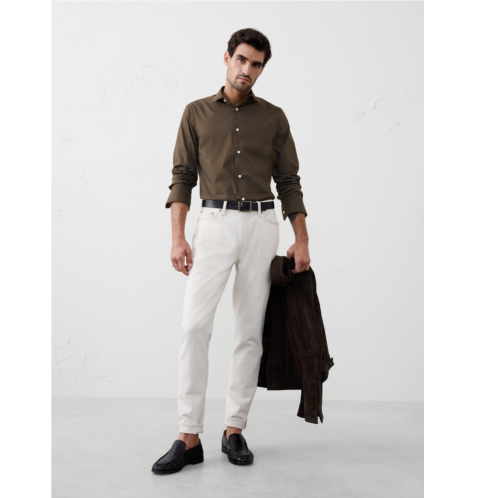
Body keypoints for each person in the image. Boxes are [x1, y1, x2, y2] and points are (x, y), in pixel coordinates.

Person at [152, 27, 310, 474]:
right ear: (227, 58)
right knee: (193, 327)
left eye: (256, 64)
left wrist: (301, 238)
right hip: (214, 223)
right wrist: (178, 236)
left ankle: (234, 429)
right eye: (241, 60)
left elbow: (289, 182)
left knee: (248, 332)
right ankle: (188, 436)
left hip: (262, 225)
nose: (247, 70)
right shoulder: (196, 113)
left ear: (262, 69)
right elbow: (182, 176)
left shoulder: (274, 118)